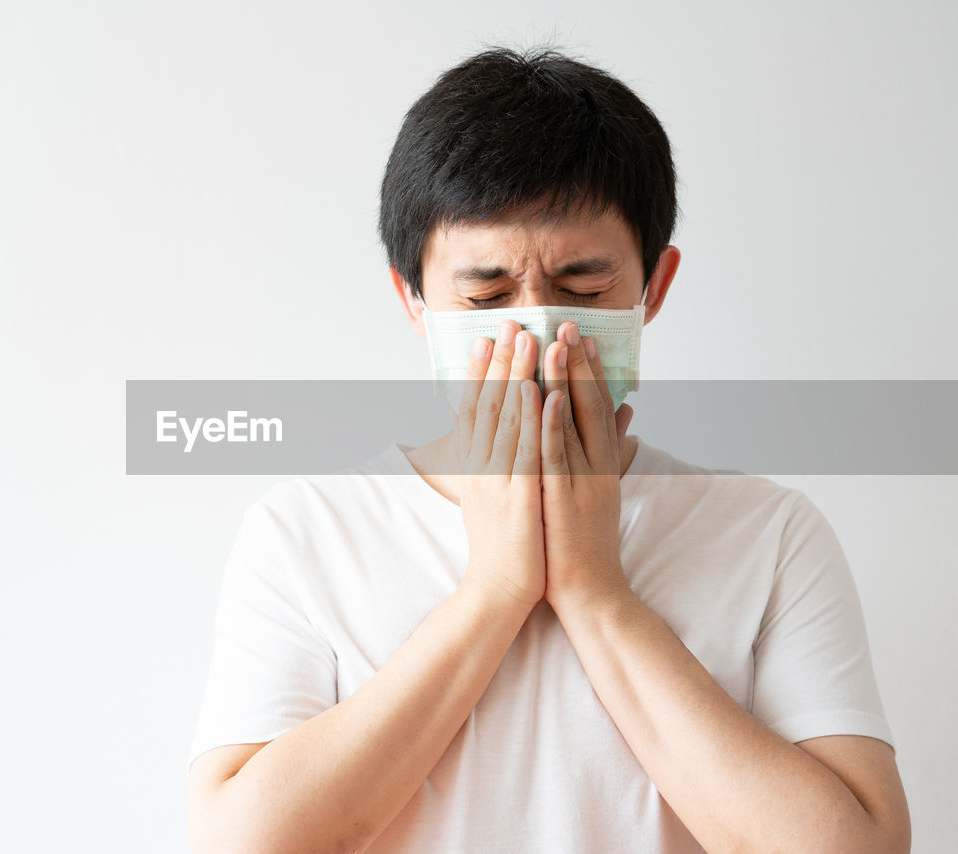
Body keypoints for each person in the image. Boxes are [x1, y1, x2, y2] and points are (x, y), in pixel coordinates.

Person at [185, 45, 910, 853]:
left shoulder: (770, 533)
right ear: (414, 300)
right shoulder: (308, 530)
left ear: (652, 289)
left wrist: (599, 592)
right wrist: (493, 589)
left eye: (583, 288)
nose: (535, 329)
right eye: (487, 293)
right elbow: (242, 841)